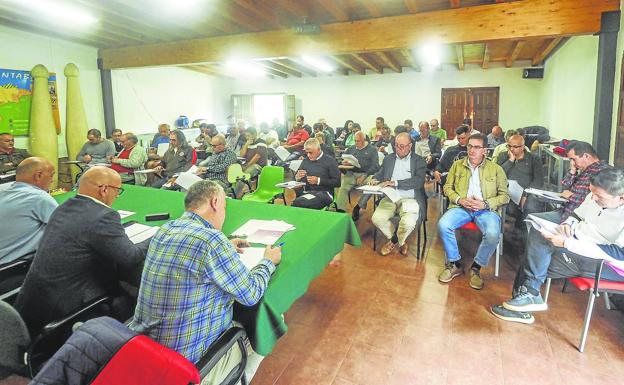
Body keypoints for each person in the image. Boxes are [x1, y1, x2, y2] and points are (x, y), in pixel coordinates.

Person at [129, 180, 281, 383]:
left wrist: (224, 244)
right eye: (225, 207)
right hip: (185, 366)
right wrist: (268, 262)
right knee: (264, 328)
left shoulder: (165, 229)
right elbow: (251, 294)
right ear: (216, 202)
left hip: (143, 351)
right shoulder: (211, 240)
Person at [14, 166, 149, 335]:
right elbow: (131, 256)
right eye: (118, 190)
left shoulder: (64, 207)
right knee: (131, 295)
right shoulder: (103, 216)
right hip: (69, 308)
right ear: (104, 189)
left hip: (34, 302)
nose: (117, 195)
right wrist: (157, 237)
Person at [491, 167, 624, 324]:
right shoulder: (594, 195)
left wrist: (567, 243)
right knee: (536, 240)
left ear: (621, 198)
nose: (593, 198)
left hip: (608, 264)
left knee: (538, 258)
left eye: (599, 196)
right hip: (580, 242)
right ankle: (527, 297)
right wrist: (568, 223)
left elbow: (618, 253)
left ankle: (526, 299)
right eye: (592, 193)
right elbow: (577, 214)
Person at [437, 133, 509, 290]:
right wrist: (459, 200)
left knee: (492, 234)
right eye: (470, 146)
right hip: (461, 208)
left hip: (485, 210)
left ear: (485, 150)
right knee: (443, 224)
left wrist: (485, 204)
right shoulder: (457, 166)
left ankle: (476, 268)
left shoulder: (496, 169)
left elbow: (504, 196)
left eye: (477, 147)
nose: (472, 150)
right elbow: (447, 187)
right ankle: (455, 263)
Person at [370, 132, 427, 256]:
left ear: (410, 146)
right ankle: (401, 242)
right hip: (390, 197)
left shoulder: (418, 161)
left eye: (402, 146)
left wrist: (395, 183)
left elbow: (419, 181)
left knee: (409, 223)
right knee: (377, 218)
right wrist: (374, 178)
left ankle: (393, 241)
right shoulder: (389, 158)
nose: (398, 149)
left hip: (410, 198)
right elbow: (381, 173)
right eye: (396, 145)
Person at [0, 157, 57, 267]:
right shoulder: (39, 197)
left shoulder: (2, 188)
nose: (52, 180)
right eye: (51, 175)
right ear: (38, 176)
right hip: (12, 270)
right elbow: (67, 229)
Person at [556, 141, 609, 221]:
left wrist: (571, 196)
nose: (572, 163)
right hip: (565, 213)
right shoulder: (586, 170)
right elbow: (564, 187)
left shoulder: (603, 172)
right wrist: (572, 171)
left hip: (577, 219)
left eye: (573, 159)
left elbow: (597, 202)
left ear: (586, 156)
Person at [496, 134, 543, 216]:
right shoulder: (503, 156)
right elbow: (497, 175)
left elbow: (538, 180)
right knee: (508, 208)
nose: (511, 149)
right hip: (507, 191)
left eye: (515, 146)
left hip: (528, 191)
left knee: (531, 206)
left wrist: (525, 194)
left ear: (522, 147)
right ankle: (509, 225)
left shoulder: (534, 159)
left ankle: (525, 227)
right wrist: (510, 160)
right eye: (509, 146)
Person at [336, 131, 380, 219]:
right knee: (342, 186)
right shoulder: (351, 149)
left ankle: (358, 207)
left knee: (371, 187)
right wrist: (344, 163)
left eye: (358, 141)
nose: (356, 143)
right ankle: (340, 212)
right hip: (352, 173)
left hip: (366, 174)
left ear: (364, 140)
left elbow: (376, 166)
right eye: (355, 141)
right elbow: (341, 160)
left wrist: (365, 175)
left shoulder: (372, 150)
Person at [292, 138, 341, 209]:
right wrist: (297, 178)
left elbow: (337, 182)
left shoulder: (330, 161)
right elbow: (298, 178)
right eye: (306, 153)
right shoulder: (305, 161)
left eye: (310, 152)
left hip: (325, 193)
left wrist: (318, 181)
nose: (308, 155)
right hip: (308, 192)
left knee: (301, 203)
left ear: (319, 149)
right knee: (297, 203)